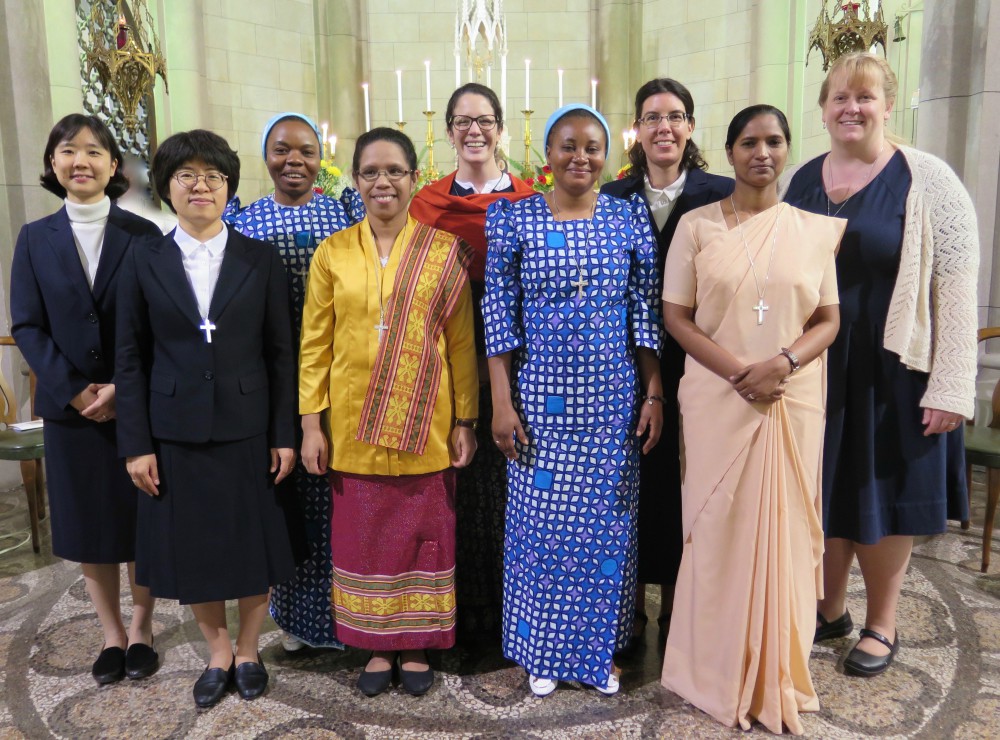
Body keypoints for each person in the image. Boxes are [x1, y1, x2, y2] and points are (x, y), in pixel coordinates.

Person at [781, 52, 978, 677]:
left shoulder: (929, 180)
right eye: (840, 98)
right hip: (821, 365)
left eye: (864, 97)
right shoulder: (805, 179)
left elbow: (956, 283)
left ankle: (882, 621)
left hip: (899, 368)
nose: (851, 108)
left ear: (888, 104)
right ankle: (828, 607)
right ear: (823, 109)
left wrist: (950, 383)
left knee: (885, 496)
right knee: (826, 489)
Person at [660, 105, 844, 734]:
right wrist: (742, 372)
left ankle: (777, 670)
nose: (760, 153)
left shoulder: (816, 231)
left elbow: (828, 319)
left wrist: (782, 363)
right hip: (719, 398)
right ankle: (708, 666)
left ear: (788, 148)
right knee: (714, 526)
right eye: (747, 143)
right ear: (728, 152)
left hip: (792, 399)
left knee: (786, 530)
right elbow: (676, 316)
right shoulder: (696, 226)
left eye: (773, 141)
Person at [483, 104, 663, 697]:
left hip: (612, 401)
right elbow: (498, 319)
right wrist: (502, 403)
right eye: (567, 145)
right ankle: (542, 649)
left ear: (606, 154)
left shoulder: (627, 215)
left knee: (605, 528)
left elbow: (644, 310)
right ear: (547, 154)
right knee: (541, 527)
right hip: (538, 401)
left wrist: (654, 391)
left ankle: (595, 653)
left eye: (591, 146)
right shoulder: (513, 219)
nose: (580, 156)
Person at [114, 129, 297, 708]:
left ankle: (249, 648)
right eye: (187, 176)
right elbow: (130, 356)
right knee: (192, 547)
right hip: (174, 429)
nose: (201, 186)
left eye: (213, 177)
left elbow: (280, 353)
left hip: (248, 426)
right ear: (168, 187)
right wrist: (136, 444)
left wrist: (284, 434)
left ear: (228, 188)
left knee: (252, 544)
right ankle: (217, 650)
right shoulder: (143, 259)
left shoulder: (259, 258)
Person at [299, 127, 478, 698]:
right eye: (371, 172)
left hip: (427, 424)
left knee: (423, 534)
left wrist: (465, 420)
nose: (383, 182)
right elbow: (314, 346)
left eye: (395, 171)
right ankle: (378, 644)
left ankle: (418, 642)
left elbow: (461, 345)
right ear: (355, 181)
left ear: (413, 179)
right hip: (351, 427)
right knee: (366, 539)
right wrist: (310, 424)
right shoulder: (333, 252)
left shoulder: (443, 251)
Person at [11, 113, 161, 686]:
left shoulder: (143, 235)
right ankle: (111, 634)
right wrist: (73, 391)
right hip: (69, 412)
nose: (82, 161)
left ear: (113, 165)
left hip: (136, 404)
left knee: (139, 518)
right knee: (89, 523)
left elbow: (157, 321)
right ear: (53, 164)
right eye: (69, 151)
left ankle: (143, 628)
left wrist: (128, 385)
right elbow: (27, 325)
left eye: (95, 151)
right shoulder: (34, 238)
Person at [600, 78, 734, 651]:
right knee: (630, 487)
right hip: (622, 365)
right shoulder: (611, 196)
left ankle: (682, 609)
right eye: (652, 117)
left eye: (676, 116)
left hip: (700, 361)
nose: (664, 127)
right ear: (637, 129)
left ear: (690, 127)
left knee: (688, 486)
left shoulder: (721, 193)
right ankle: (626, 610)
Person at [230, 112, 364, 653]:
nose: (294, 161)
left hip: (340, 379)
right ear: (266, 155)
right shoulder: (244, 222)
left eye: (306, 151)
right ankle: (299, 621)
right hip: (274, 384)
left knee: (340, 500)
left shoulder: (345, 218)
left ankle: (352, 615)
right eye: (282, 150)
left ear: (321, 158)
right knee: (287, 500)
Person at [409, 83, 534, 642]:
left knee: (514, 476)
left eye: (484, 119)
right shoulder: (426, 203)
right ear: (449, 132)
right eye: (462, 121)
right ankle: (460, 609)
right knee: (460, 473)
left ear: (501, 127)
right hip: (447, 349)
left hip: (523, 352)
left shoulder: (533, 199)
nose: (474, 130)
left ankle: (516, 606)